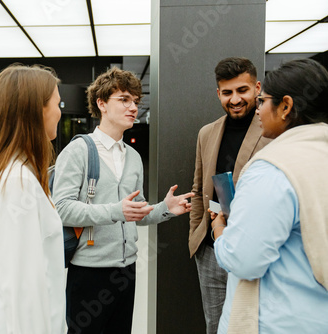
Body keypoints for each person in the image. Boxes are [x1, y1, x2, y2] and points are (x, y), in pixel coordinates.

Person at [52, 67, 193, 334]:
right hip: (89, 270)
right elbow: (62, 208)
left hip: (125, 270)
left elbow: (133, 212)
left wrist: (165, 209)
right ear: (101, 103)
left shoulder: (133, 157)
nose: (133, 107)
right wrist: (116, 210)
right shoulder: (78, 150)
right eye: (124, 99)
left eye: (136, 102)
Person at [211, 58, 328, 333]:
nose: (259, 110)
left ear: (285, 106)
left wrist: (220, 231)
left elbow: (244, 260)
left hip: (276, 320)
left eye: (262, 100)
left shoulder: (271, 169)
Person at [0, 64, 66, 334]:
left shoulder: (8, 172)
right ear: (37, 110)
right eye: (57, 104)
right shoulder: (18, 183)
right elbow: (22, 289)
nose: (60, 112)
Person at [188, 57, 271, 334]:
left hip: (254, 250)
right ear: (218, 94)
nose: (235, 99)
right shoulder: (207, 133)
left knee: (250, 327)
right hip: (211, 251)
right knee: (214, 326)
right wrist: (197, 238)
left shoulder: (274, 132)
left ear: (257, 88)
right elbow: (199, 188)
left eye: (242, 90)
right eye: (227, 92)